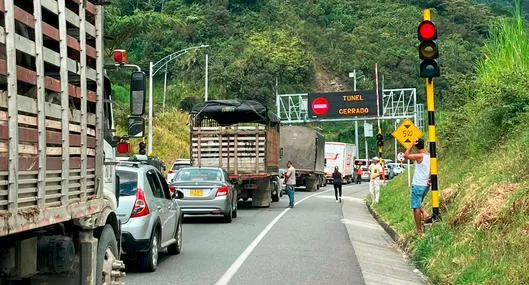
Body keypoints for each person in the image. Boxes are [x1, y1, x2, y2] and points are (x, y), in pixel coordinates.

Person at [404, 138, 432, 234]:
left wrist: (411, 144)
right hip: (426, 185)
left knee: (416, 206)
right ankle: (425, 214)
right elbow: (432, 169)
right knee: (418, 203)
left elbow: (406, 155)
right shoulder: (429, 156)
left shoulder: (419, 156)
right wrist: (430, 178)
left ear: (416, 146)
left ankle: (418, 229)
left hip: (418, 184)